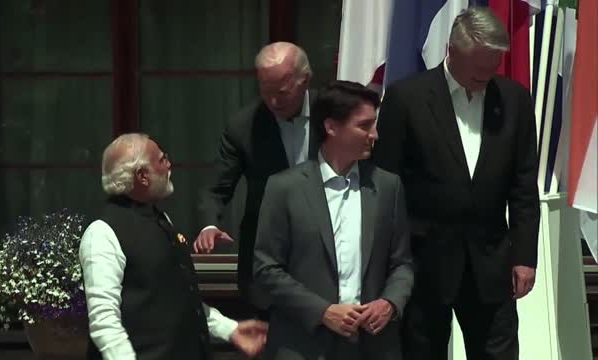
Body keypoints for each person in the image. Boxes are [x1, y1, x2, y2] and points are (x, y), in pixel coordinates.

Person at [372, 7, 540, 360]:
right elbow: (386, 184)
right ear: (451, 50)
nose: (487, 75)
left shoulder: (514, 100)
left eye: (493, 65)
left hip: (492, 262)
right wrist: (389, 261)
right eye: (479, 68)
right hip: (423, 260)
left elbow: (524, 186)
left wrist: (525, 256)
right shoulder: (406, 99)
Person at [253, 81, 414, 360]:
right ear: (331, 127)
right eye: (364, 126)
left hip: (373, 347)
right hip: (304, 345)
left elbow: (402, 263)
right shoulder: (284, 188)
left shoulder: (388, 187)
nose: (374, 134)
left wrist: (390, 303)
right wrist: (323, 312)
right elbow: (266, 269)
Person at [79, 133, 267, 360]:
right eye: (161, 159)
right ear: (142, 176)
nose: (169, 164)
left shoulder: (162, 220)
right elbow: (104, 322)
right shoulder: (102, 233)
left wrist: (230, 329)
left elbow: (179, 299)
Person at [194, 42, 320, 314]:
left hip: (326, 255)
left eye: (282, 92)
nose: (273, 101)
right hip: (267, 259)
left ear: (306, 80)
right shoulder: (244, 126)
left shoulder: (332, 115)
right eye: (266, 90)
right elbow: (215, 189)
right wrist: (209, 226)